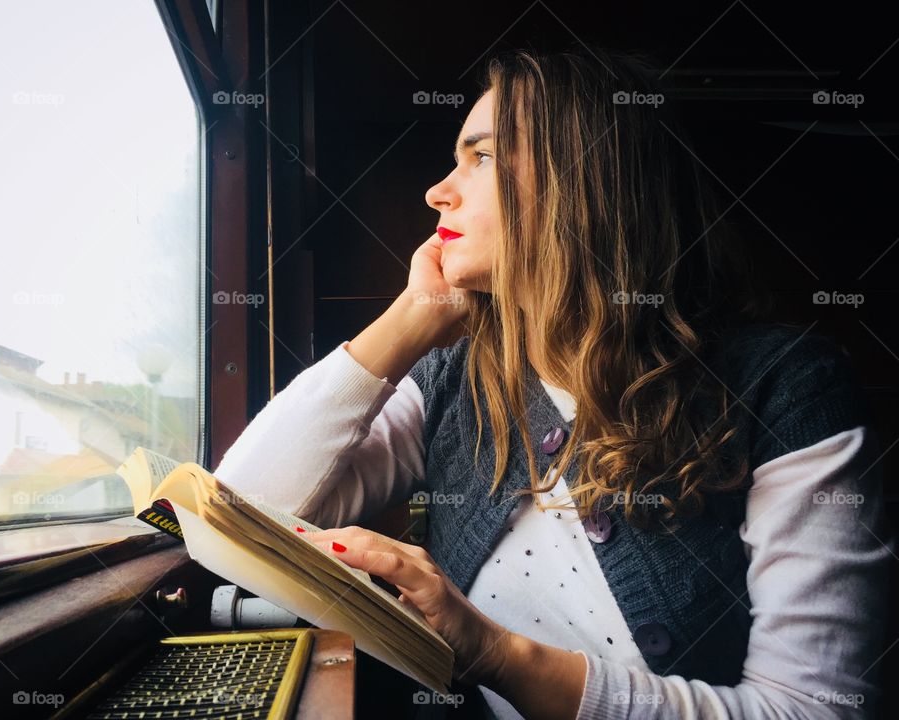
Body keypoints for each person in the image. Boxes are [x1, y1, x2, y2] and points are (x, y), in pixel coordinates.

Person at [215, 46, 893, 719]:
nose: (437, 191)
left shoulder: (786, 388)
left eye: (480, 157)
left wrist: (494, 655)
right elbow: (236, 511)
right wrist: (411, 320)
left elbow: (816, 710)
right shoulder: (457, 380)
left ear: (585, 181)